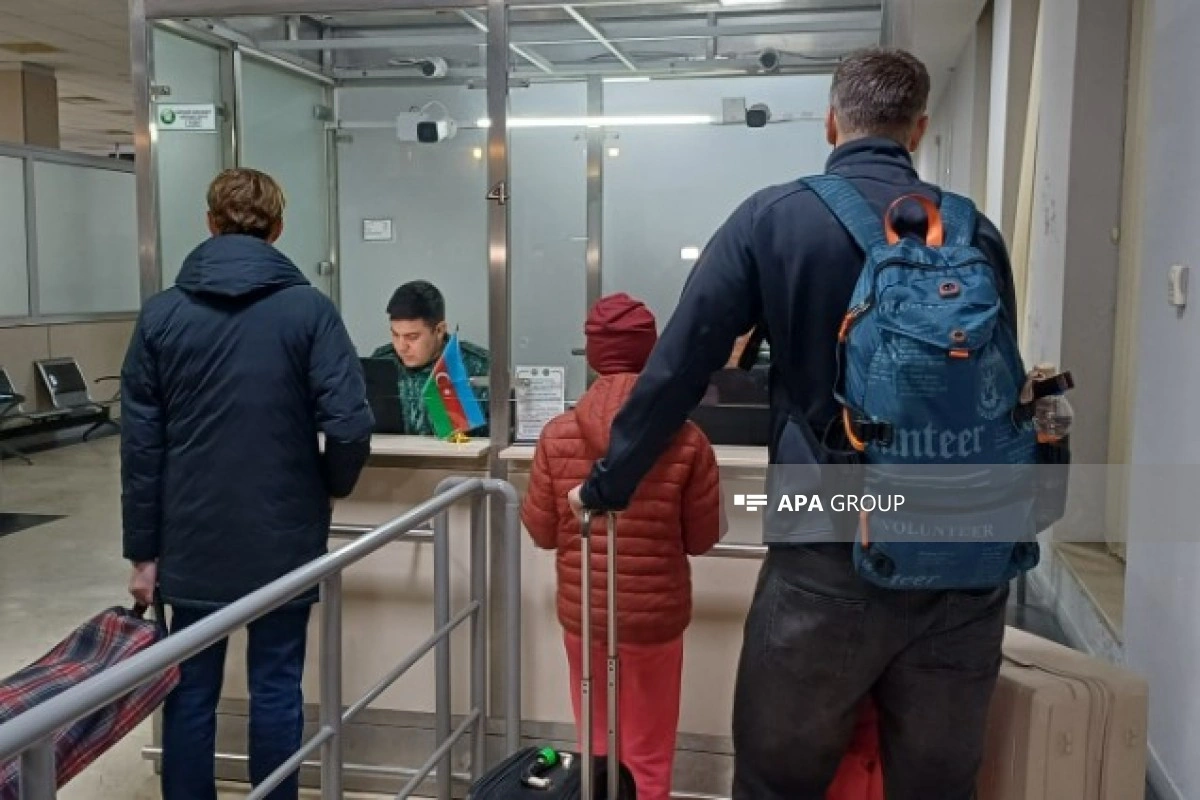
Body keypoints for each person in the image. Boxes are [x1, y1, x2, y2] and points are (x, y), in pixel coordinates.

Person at [567, 48, 1018, 800]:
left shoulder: (773, 218)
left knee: (778, 783)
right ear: (918, 130)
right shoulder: (974, 230)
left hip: (827, 550)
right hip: (966, 557)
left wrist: (609, 482)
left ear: (832, 122)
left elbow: (679, 365)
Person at [121, 168, 374, 800]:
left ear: (209, 224)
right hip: (283, 536)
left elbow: (141, 448)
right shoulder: (310, 311)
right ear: (278, 229)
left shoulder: (160, 316)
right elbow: (349, 424)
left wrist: (144, 553)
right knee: (277, 686)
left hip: (190, 538)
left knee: (188, 690)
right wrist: (329, 486)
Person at [521, 293, 725, 800]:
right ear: (652, 351)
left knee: (595, 750)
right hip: (655, 622)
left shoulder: (555, 435)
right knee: (648, 755)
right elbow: (701, 540)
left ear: (592, 356)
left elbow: (542, 533)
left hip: (585, 616)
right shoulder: (687, 439)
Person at [369, 280, 490, 436]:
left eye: (412, 337)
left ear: (439, 330)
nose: (401, 346)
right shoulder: (381, 364)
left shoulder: (478, 367)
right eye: (395, 335)